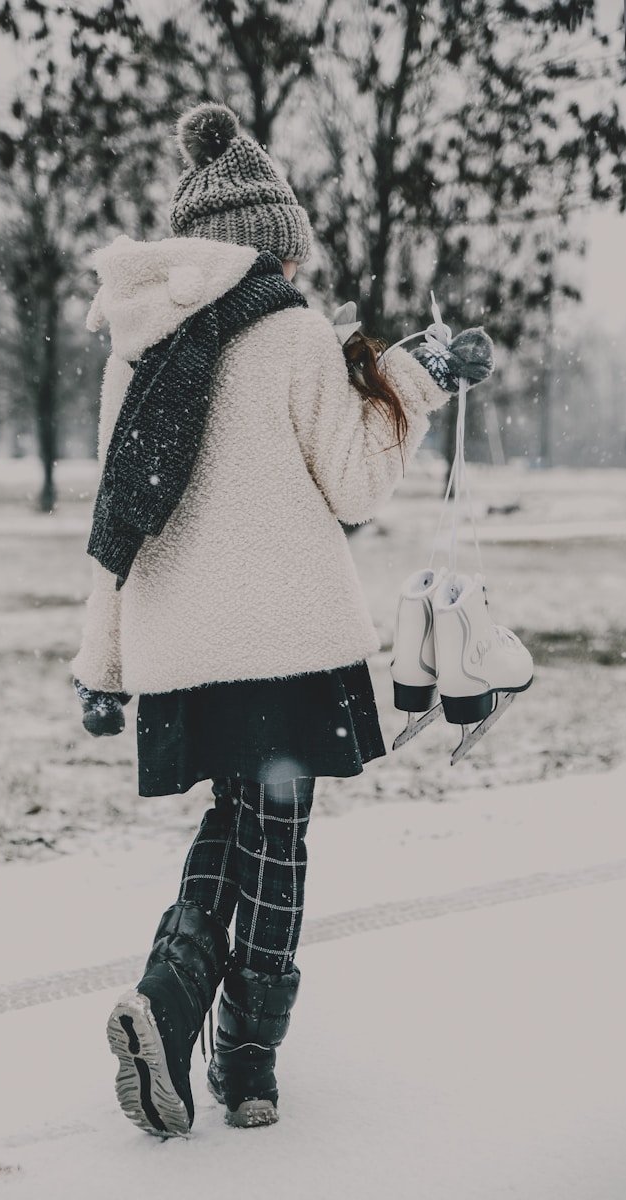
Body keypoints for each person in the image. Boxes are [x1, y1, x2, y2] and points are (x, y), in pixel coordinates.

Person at [70, 102, 489, 1136]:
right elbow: (353, 486)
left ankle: (167, 1008)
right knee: (281, 837)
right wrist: (415, 378)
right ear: (271, 243)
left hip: (180, 644)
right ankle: (247, 1064)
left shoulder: (138, 347)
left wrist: (101, 662)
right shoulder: (293, 329)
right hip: (287, 638)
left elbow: (117, 511)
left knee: (234, 816)